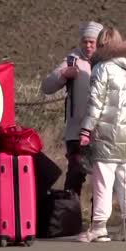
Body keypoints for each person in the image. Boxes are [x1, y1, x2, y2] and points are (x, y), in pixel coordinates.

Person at [74, 27, 126, 243]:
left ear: (103, 44)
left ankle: (99, 227)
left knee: (103, 180)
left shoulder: (102, 69)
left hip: (106, 133)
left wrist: (86, 129)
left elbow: (95, 103)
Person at [41, 21, 103, 196]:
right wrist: (63, 75)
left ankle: (97, 219)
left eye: (92, 42)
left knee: (101, 178)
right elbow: (47, 87)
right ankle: (70, 214)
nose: (88, 45)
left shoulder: (106, 62)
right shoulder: (72, 60)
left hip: (100, 130)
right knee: (75, 173)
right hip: (76, 130)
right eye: (85, 41)